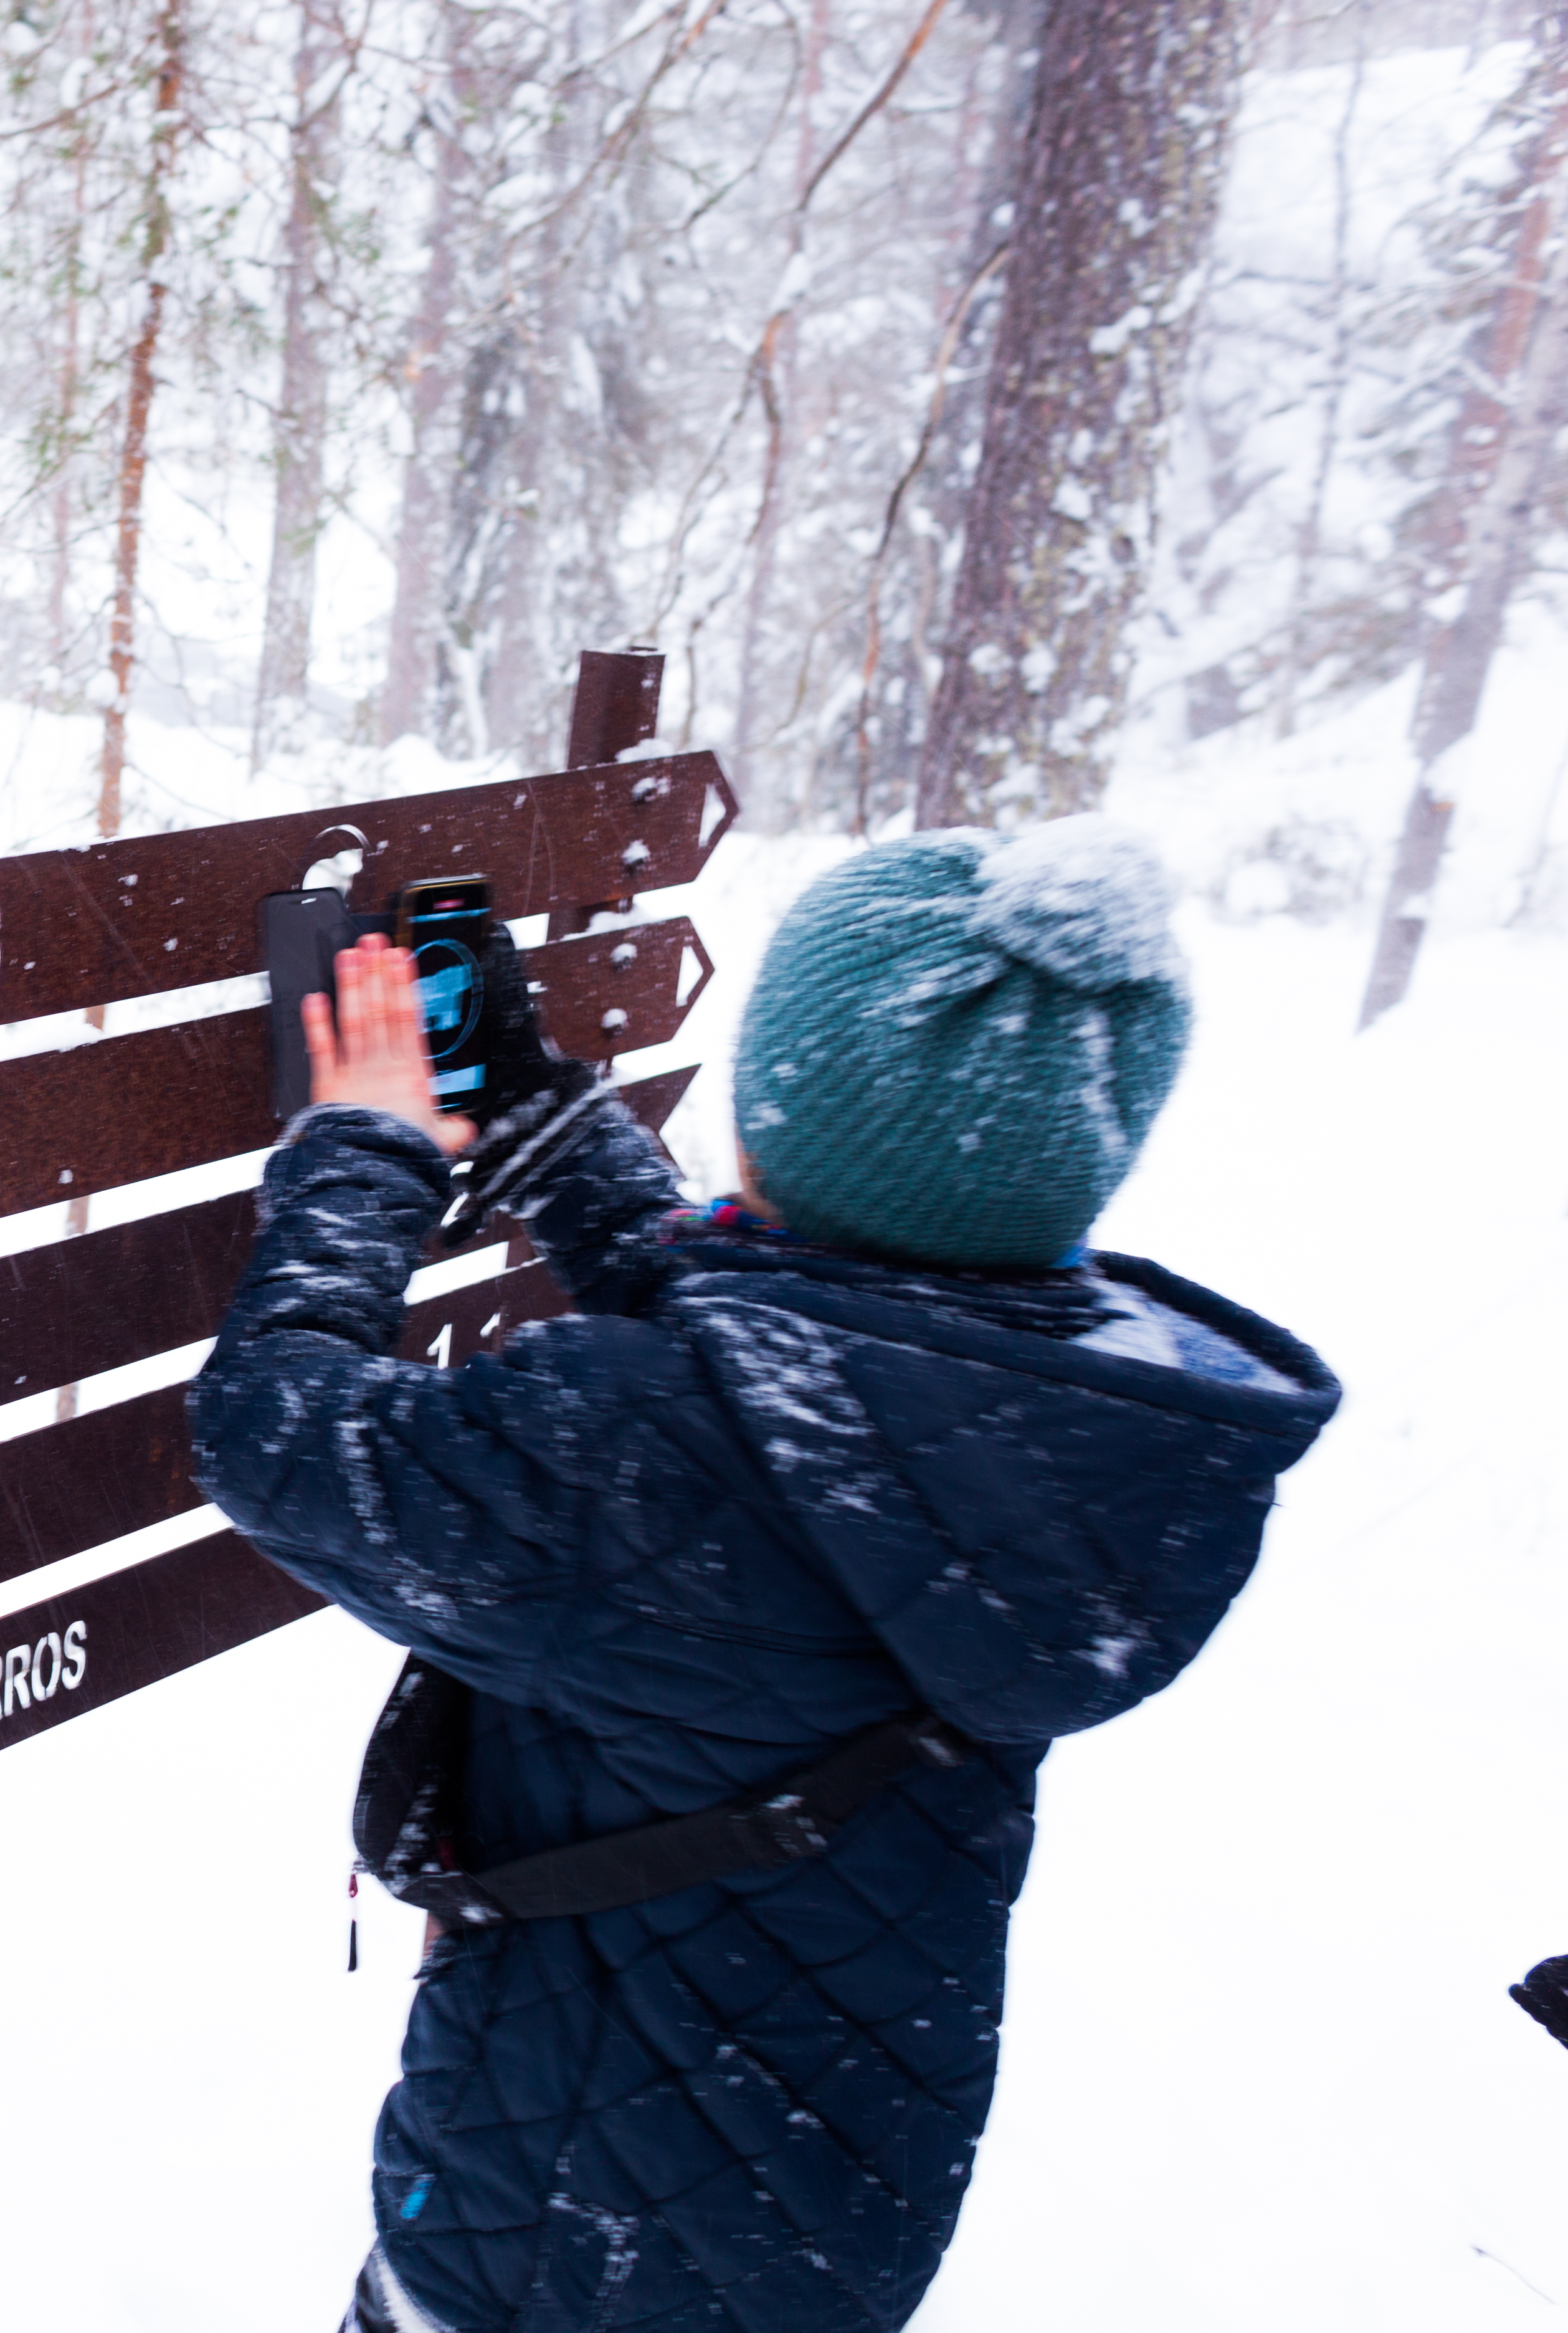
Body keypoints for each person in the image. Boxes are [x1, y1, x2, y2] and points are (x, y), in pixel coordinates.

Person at [188, 821, 1340, 2333]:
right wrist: (543, 1114)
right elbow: (791, 1365)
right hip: (830, 2227)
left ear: (770, 1127)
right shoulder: (1076, 1428)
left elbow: (276, 1433)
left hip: (551, 2258)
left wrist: (364, 1150)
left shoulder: (629, 1449)